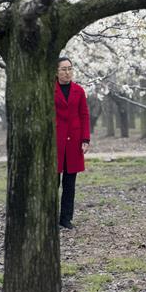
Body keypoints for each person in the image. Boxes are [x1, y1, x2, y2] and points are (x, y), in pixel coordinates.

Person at [54, 56, 91, 230]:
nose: (67, 72)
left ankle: (66, 218)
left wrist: (85, 139)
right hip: (55, 141)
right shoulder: (49, 89)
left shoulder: (78, 90)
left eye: (70, 68)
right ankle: (50, 218)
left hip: (74, 142)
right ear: (56, 71)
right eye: (63, 69)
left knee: (70, 184)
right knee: (52, 183)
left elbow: (84, 115)